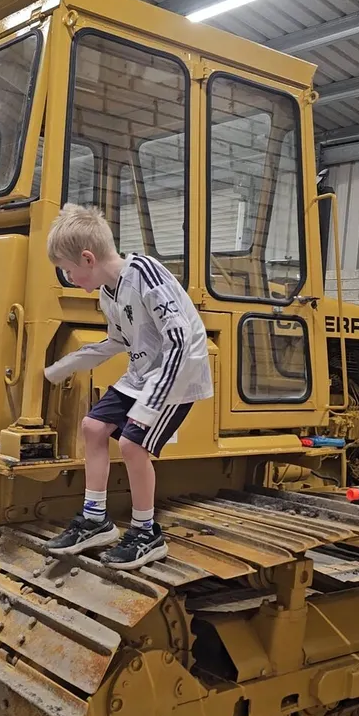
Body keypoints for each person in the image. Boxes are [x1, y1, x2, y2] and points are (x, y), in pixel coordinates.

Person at [44, 204, 213, 570]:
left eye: (68, 270)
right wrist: (72, 362)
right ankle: (95, 520)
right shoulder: (109, 292)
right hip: (142, 374)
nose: (69, 277)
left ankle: (146, 532)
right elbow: (118, 341)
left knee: (132, 444)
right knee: (92, 427)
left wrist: (150, 405)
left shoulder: (145, 273)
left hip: (177, 373)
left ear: (87, 259)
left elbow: (181, 342)